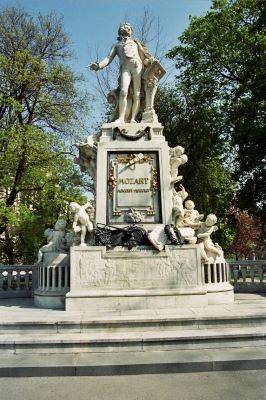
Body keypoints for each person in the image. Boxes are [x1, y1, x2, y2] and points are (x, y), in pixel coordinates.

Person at [88, 22, 155, 124]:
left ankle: (132, 119)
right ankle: (121, 118)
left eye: (129, 28)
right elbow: (108, 58)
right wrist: (98, 65)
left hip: (138, 67)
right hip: (125, 68)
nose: (127, 28)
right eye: (124, 27)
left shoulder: (136, 44)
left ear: (131, 31)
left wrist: (149, 61)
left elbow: (143, 59)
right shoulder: (117, 45)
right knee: (123, 91)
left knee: (137, 94)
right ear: (120, 31)